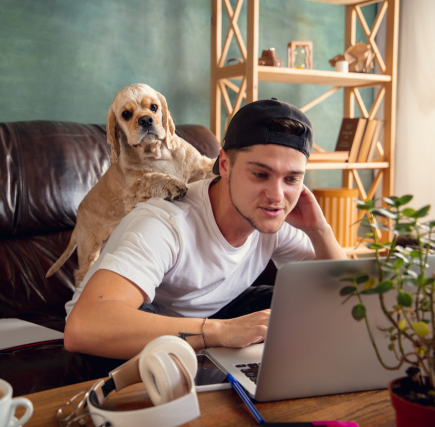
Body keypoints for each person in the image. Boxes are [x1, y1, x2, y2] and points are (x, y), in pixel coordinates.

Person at [64, 98, 347, 360]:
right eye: (260, 174)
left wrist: (319, 230)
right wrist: (220, 333)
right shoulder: (166, 222)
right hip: (125, 331)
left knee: (291, 303)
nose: (276, 195)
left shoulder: (271, 214)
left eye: (292, 179)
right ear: (224, 165)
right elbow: (84, 326)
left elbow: (345, 295)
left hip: (208, 316)